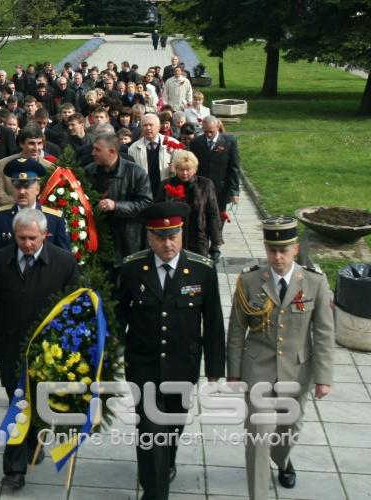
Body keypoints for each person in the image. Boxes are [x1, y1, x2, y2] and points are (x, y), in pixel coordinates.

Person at [117, 201, 225, 500]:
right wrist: (106, 350)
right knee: (150, 431)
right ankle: (154, 490)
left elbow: (213, 322)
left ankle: (165, 461)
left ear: (182, 234)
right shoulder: (132, 267)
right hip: (143, 364)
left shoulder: (201, 270)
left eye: (173, 236)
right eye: (160, 237)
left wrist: (216, 370)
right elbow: (119, 314)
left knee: (172, 427)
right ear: (149, 237)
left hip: (183, 365)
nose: (168, 243)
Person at [226, 217, 334, 499]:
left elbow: (323, 333)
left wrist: (324, 378)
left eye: (283, 250)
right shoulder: (249, 280)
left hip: (297, 372)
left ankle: (283, 459)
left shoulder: (314, 282)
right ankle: (258, 494)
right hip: (257, 369)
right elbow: (236, 330)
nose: (277, 257)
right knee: (259, 435)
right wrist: (234, 373)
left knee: (289, 432)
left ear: (295, 249)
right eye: (272, 250)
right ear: (265, 248)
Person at [0, 208, 80, 489]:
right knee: (18, 404)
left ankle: (33, 442)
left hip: (48, 350)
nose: (26, 244)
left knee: (39, 404)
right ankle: (13, 470)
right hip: (12, 347)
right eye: (21, 238)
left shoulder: (63, 262)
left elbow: (74, 308)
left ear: (45, 235)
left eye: (32, 239)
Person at [0, 157, 70, 266]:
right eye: (17, 186)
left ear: (37, 189)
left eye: (27, 186)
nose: (22, 191)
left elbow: (65, 259)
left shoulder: (54, 219)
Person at [84, 133, 153, 265]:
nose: (93, 153)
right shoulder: (89, 171)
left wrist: (116, 206)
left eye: (97, 149)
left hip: (129, 241)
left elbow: (146, 204)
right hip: (99, 238)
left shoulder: (136, 172)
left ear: (111, 151)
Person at [155, 151, 223, 260]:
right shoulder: (166, 184)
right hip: (172, 237)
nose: (185, 173)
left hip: (198, 236)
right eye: (181, 170)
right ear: (175, 169)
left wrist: (215, 243)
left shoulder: (205, 184)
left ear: (195, 169)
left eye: (188, 170)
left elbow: (213, 213)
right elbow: (158, 211)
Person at [0, 125, 54, 208]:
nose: (36, 148)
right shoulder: (3, 164)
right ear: (21, 144)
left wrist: (35, 207)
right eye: (31, 143)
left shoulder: (50, 168)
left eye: (39, 143)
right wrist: (20, 203)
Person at [190, 116, 241, 213]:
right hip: (201, 188)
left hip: (221, 189)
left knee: (218, 219)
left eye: (211, 131)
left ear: (218, 127)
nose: (208, 135)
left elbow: (234, 167)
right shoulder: (195, 142)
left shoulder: (229, 141)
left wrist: (234, 192)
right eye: (205, 132)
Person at [127, 114, 181, 195]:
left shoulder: (174, 144)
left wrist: (174, 171)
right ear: (141, 128)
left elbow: (181, 170)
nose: (148, 128)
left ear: (159, 127)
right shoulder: (133, 148)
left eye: (151, 125)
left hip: (167, 191)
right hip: (144, 192)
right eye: (145, 125)